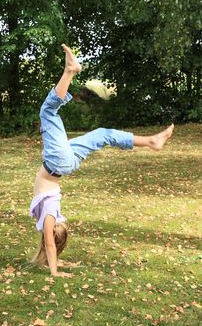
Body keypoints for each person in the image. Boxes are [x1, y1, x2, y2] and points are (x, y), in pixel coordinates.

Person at [29, 44, 174, 278]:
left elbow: (49, 243)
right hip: (58, 163)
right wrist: (55, 272)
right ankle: (70, 71)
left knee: (103, 134)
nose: (61, 222)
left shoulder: (50, 217)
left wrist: (53, 262)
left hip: (65, 162)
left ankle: (151, 141)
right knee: (47, 112)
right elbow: (49, 242)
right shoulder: (49, 215)